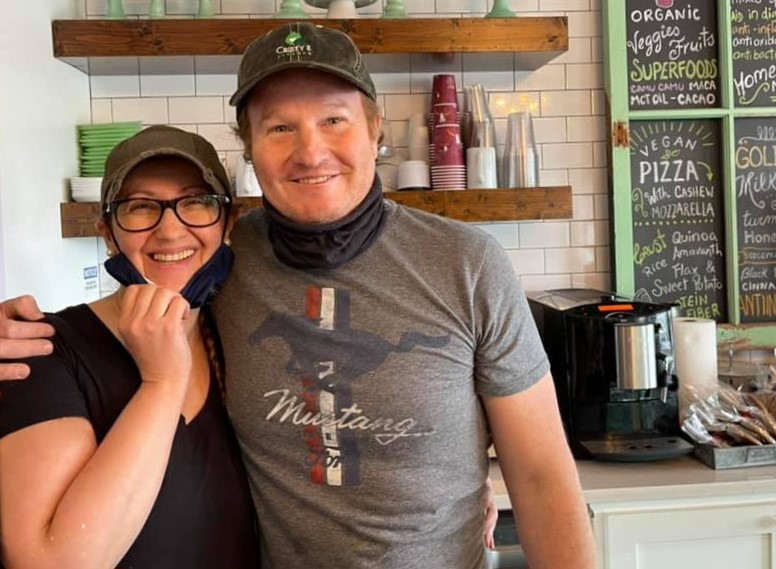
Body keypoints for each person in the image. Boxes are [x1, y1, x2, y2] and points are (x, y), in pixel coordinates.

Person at [0, 22, 595, 569]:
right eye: (280, 126)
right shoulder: (225, 263)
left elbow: (541, 476)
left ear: (375, 127)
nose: (310, 151)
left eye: (333, 119)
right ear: (249, 147)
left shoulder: (468, 262)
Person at [0, 126, 260, 569]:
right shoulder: (39, 350)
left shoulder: (240, 339)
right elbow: (53, 561)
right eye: (140, 207)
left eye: (196, 201)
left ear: (228, 222)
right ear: (107, 232)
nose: (171, 228)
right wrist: (162, 381)